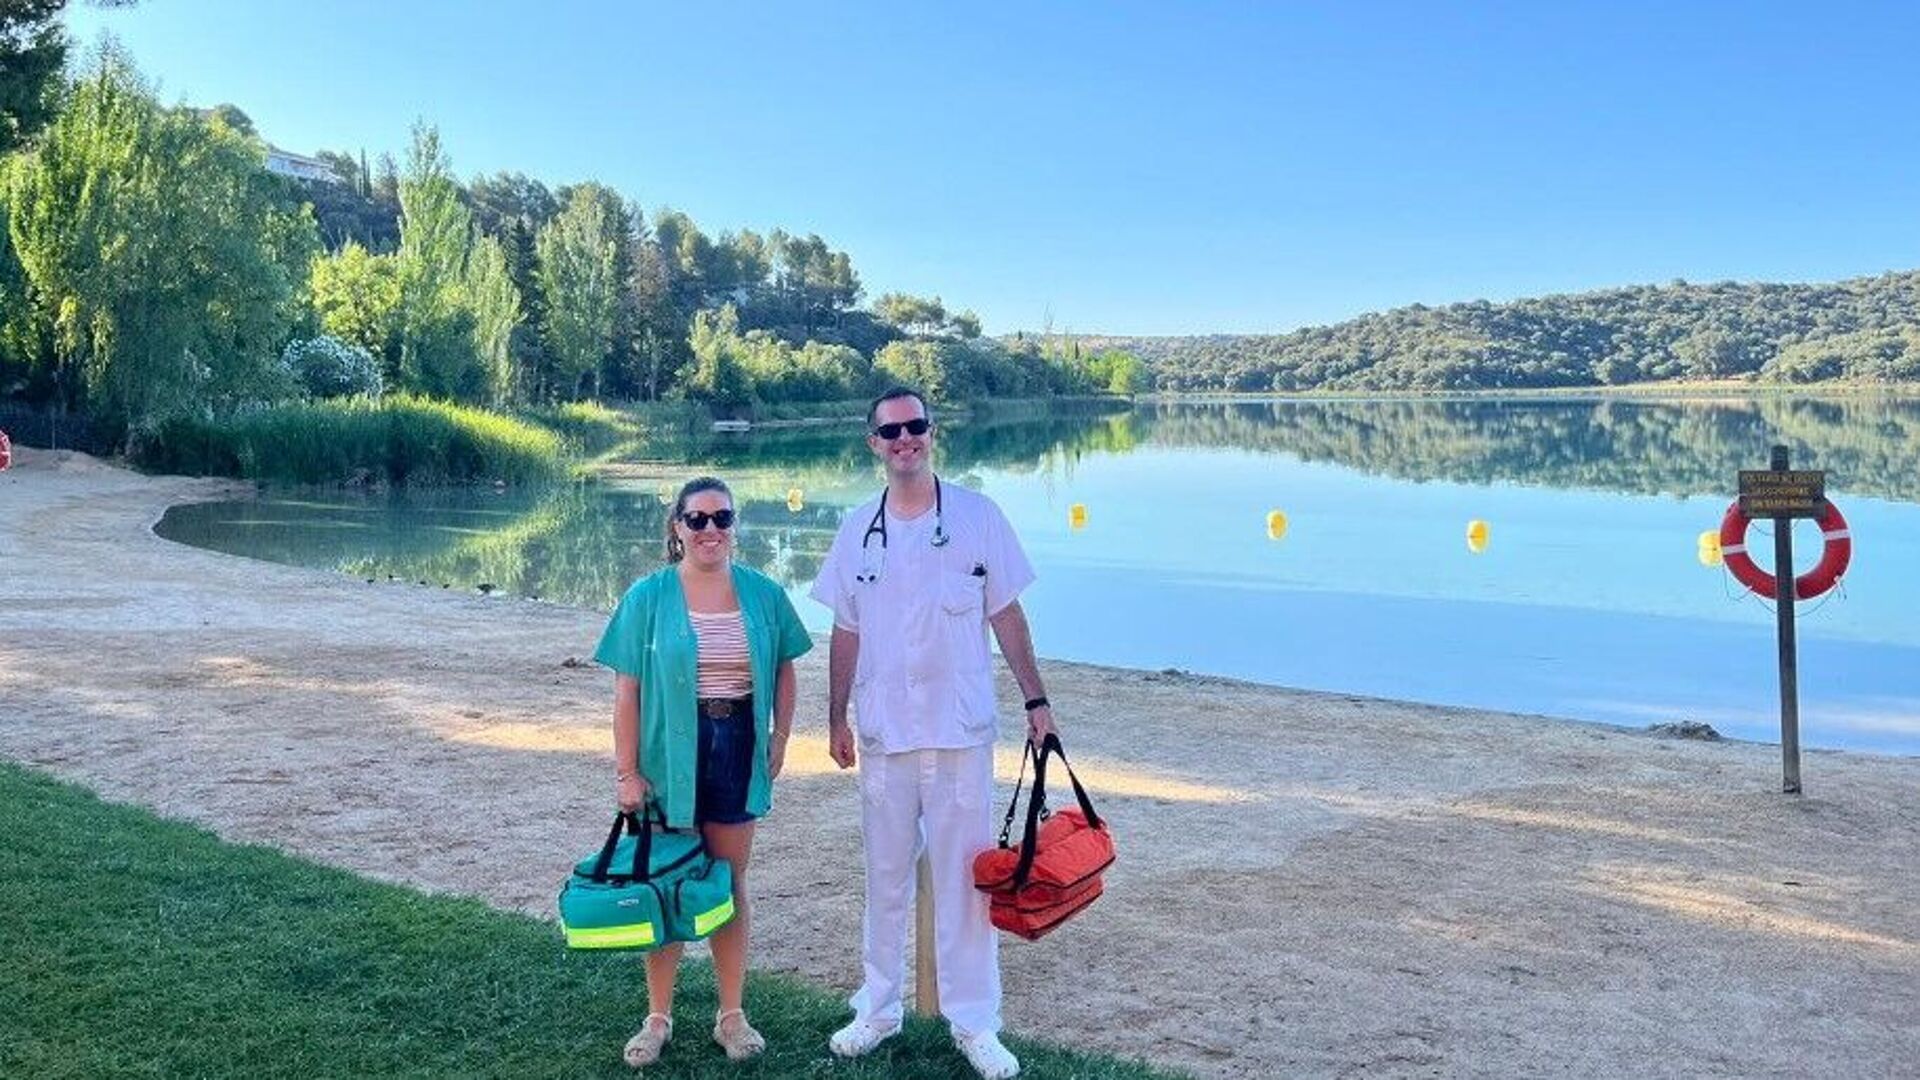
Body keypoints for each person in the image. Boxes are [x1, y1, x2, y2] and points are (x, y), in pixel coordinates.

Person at [810, 386, 1058, 1080]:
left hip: (959, 736)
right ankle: (877, 1010)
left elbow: (1006, 616)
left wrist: (1037, 701)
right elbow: (845, 630)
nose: (905, 440)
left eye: (915, 426)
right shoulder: (857, 529)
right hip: (886, 738)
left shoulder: (979, 517)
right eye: (891, 431)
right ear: (874, 443)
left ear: (932, 433)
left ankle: (975, 1022)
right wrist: (835, 718)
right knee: (884, 881)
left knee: (965, 886)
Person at [592, 476, 813, 1068]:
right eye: (698, 519)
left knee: (728, 885)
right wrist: (626, 772)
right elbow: (626, 692)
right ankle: (657, 1017)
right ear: (677, 527)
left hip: (737, 742)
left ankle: (731, 1015)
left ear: (735, 524)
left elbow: (788, 669)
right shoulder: (647, 597)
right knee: (665, 883)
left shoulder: (763, 594)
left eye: (722, 518)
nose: (711, 530)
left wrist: (780, 736)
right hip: (669, 753)